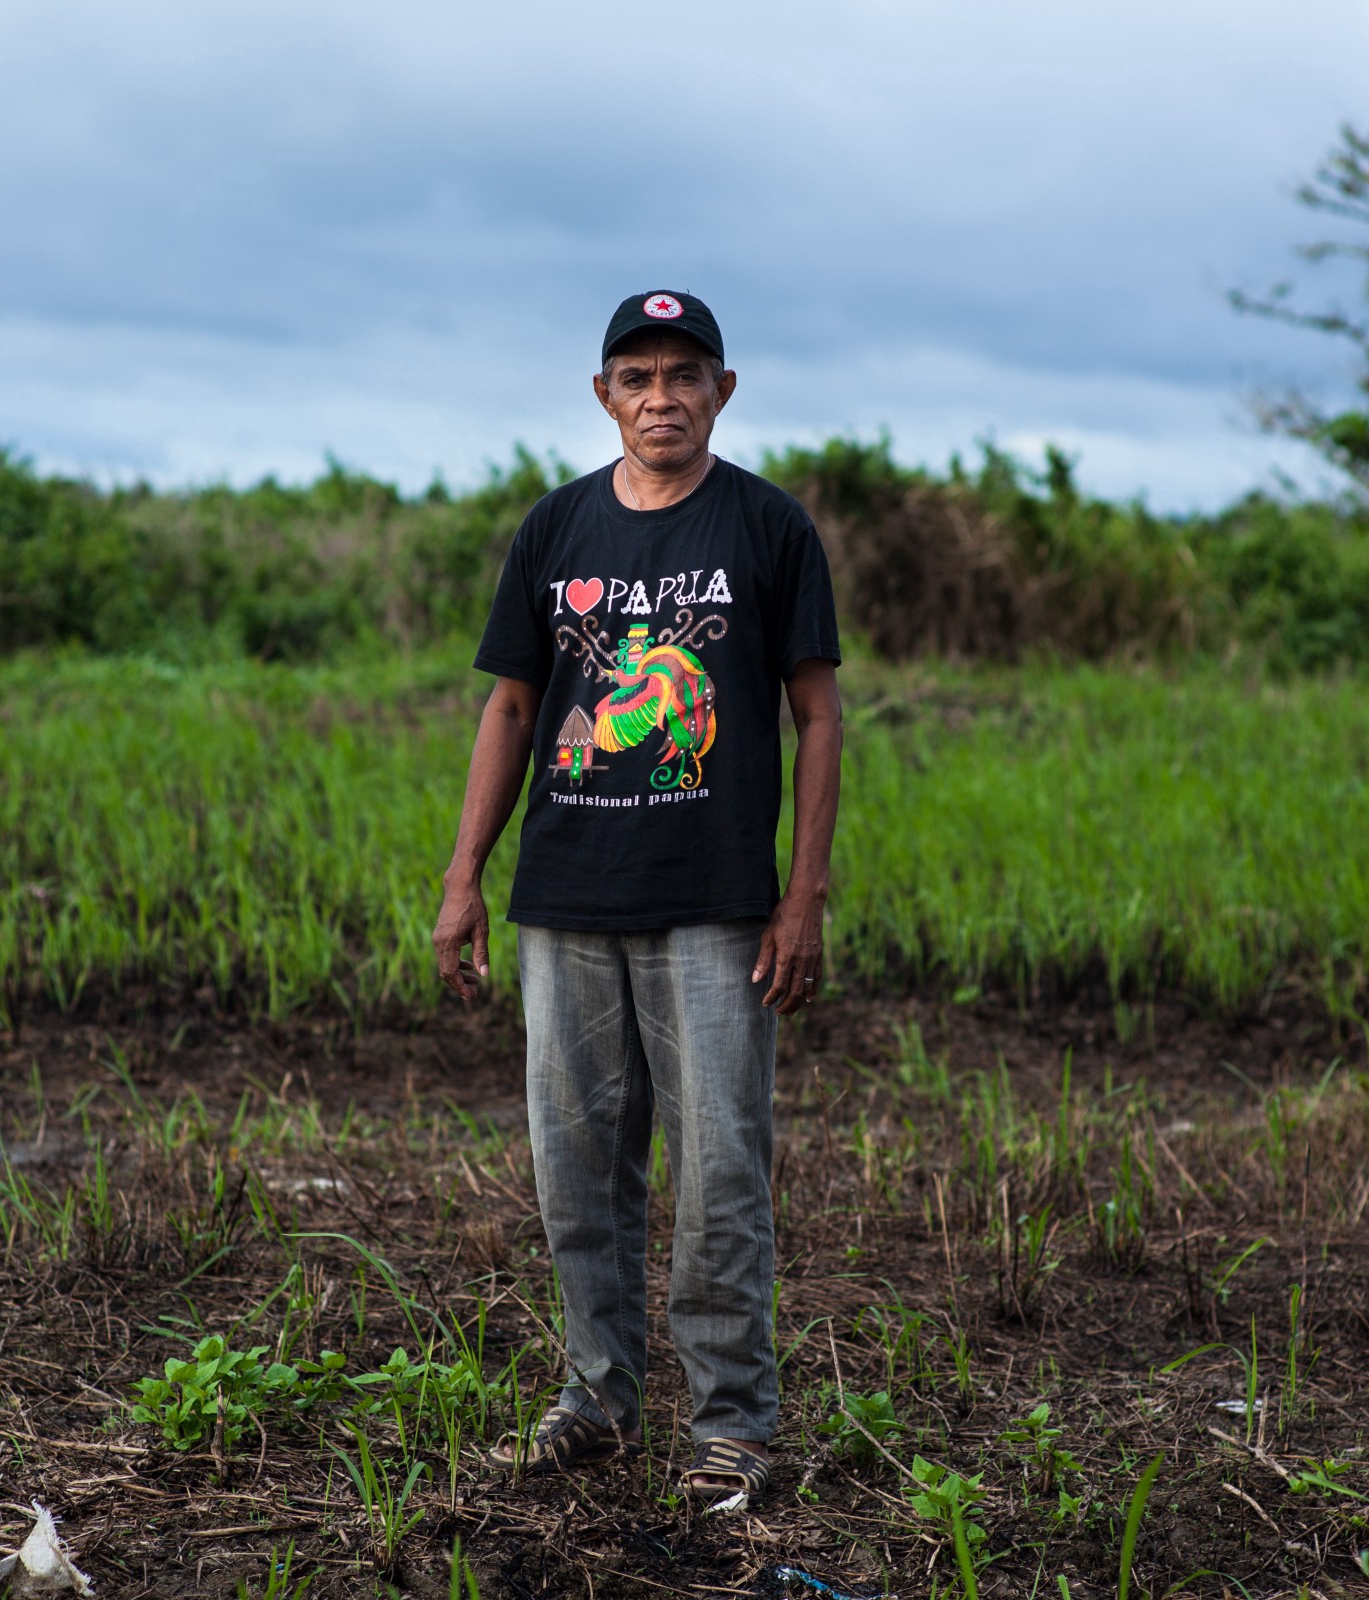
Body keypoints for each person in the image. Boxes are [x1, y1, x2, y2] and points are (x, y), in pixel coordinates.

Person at [431, 290, 843, 1506]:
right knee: (576, 1165)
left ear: (723, 388)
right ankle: (596, 1400)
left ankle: (731, 1423)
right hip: (565, 896)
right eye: (637, 376)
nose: (660, 396)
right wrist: (465, 877)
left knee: (721, 1164)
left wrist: (802, 895)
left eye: (683, 374)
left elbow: (817, 714)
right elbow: (512, 707)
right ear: (603, 394)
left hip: (715, 902)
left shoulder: (770, 527)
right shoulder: (556, 530)